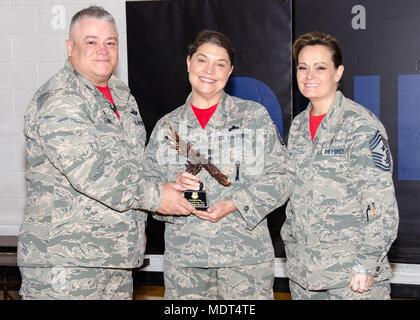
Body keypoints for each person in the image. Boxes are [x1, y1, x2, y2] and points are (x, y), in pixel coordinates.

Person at [18, 6, 195, 300]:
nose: (103, 50)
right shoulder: (60, 99)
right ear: (69, 47)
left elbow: (132, 164)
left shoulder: (121, 94)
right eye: (91, 42)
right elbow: (94, 173)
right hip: (68, 261)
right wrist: (157, 197)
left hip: (115, 256)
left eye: (110, 42)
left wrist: (143, 218)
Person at [143, 29, 295, 300]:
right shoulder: (166, 127)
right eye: (202, 60)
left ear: (230, 71)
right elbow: (147, 187)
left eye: (220, 64)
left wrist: (236, 202)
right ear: (188, 62)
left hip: (244, 262)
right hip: (186, 264)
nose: (209, 70)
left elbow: (283, 176)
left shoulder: (253, 118)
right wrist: (171, 189)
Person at [281, 31, 399, 300]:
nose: (310, 75)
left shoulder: (359, 125)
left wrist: (366, 263)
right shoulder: (298, 126)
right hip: (305, 276)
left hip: (351, 279)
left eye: (320, 67)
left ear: (338, 72)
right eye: (303, 67)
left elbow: (379, 202)